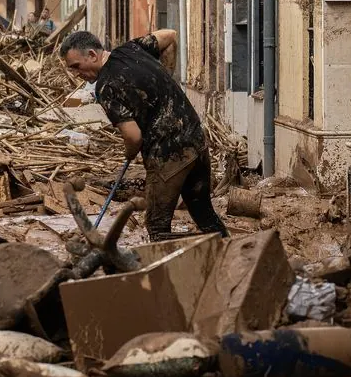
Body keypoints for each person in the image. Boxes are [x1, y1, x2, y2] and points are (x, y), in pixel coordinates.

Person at [59, 30, 227, 241]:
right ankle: (233, 257)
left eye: (76, 66)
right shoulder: (132, 48)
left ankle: (178, 269)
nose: (76, 74)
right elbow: (170, 35)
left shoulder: (106, 87)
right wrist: (165, 78)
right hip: (195, 139)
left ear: (92, 55)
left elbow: (133, 136)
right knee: (203, 211)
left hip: (168, 155)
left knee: (157, 228)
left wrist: (129, 153)